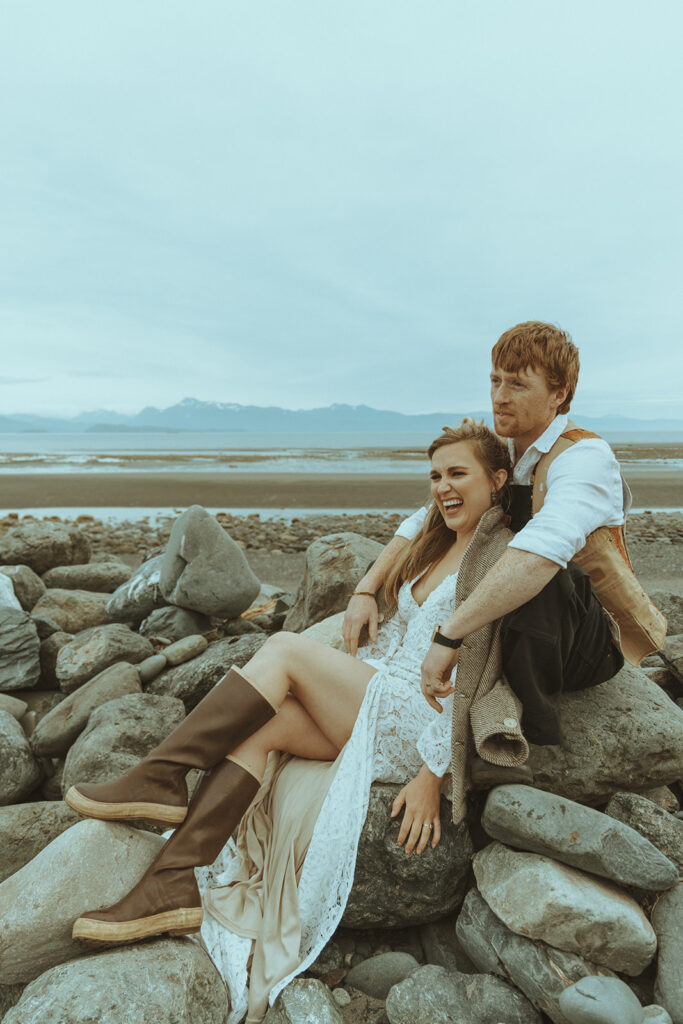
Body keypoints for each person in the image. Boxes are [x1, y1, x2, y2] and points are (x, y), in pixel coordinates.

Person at [65, 419, 533, 1024]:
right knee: (267, 726)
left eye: (458, 474)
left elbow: (486, 680)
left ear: (498, 480)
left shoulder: (504, 558)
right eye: (436, 475)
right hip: (375, 695)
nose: (443, 487)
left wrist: (432, 772)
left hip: (414, 718)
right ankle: (173, 883)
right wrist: (367, 595)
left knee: (285, 650)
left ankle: (161, 775)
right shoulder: (435, 538)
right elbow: (398, 578)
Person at [343, 320, 629, 746]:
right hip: (511, 620)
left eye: (517, 384)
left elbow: (542, 551)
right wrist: (366, 589)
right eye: (495, 380)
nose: (499, 396)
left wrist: (450, 633)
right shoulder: (503, 447)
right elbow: (423, 520)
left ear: (559, 394)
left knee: (547, 575)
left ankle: (525, 734)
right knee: (442, 545)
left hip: (580, 638)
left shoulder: (584, 457)